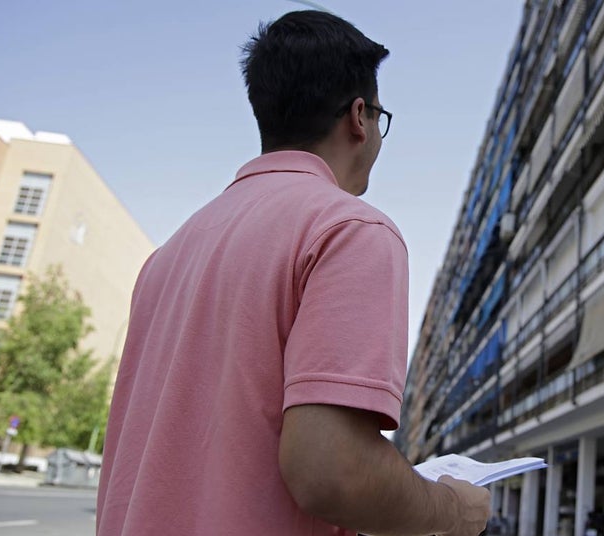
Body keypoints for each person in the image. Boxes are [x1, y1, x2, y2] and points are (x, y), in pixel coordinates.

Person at [95, 10, 490, 536]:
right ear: (359, 117)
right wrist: (453, 510)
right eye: (380, 118)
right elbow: (333, 472)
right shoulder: (350, 230)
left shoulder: (167, 257)